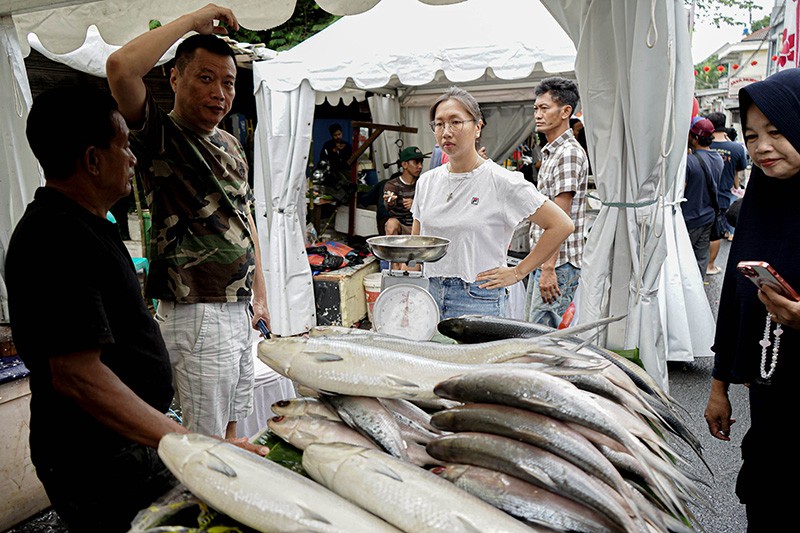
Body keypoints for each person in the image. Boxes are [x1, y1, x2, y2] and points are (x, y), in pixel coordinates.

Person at [5, 87, 267, 532]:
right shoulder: (54, 238)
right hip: (95, 459)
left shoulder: (88, 225)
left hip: (127, 446)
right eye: (123, 145)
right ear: (91, 159)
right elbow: (78, 376)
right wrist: (193, 446)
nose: (132, 158)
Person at [106, 4, 270, 440]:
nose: (220, 92)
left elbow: (244, 218)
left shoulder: (232, 144)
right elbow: (121, 68)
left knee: (235, 431)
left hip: (236, 307)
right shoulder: (162, 135)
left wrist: (261, 297)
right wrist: (192, 23)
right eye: (205, 78)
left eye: (229, 82)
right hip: (197, 310)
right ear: (174, 79)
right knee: (206, 444)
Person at [704, 68, 800, 531]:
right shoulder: (760, 204)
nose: (761, 146)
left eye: (777, 131)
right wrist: (719, 386)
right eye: (752, 134)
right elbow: (734, 300)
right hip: (770, 404)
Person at [411, 86, 574, 320]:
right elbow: (418, 240)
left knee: (478, 358)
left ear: (477, 127)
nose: (446, 131)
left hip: (478, 297)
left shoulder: (502, 181)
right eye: (439, 124)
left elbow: (561, 224)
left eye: (456, 122)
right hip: (429, 293)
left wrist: (518, 272)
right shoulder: (427, 182)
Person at [524, 77, 589, 328]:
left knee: (542, 339)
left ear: (565, 112)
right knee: (533, 332)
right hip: (546, 259)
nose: (538, 115)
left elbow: (561, 218)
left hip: (557, 263)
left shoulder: (568, 153)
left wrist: (549, 268)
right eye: (536, 109)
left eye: (544, 108)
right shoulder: (553, 150)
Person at [683, 117, 724, 279]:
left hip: (689, 218)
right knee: (701, 258)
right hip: (708, 216)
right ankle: (697, 290)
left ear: (695, 138)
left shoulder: (689, 162)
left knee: (684, 258)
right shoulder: (718, 159)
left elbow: (681, 190)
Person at [707, 112, 747, 273]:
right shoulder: (737, 148)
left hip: (704, 199)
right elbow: (740, 169)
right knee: (716, 233)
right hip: (725, 195)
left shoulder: (702, 146)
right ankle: (711, 264)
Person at [383, 145, 425, 235]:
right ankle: (392, 249)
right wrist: (390, 201)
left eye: (421, 162)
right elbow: (388, 204)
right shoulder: (392, 185)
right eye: (416, 162)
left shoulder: (424, 183)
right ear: (404, 164)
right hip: (403, 228)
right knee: (391, 224)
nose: (420, 166)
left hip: (421, 228)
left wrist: (415, 205)